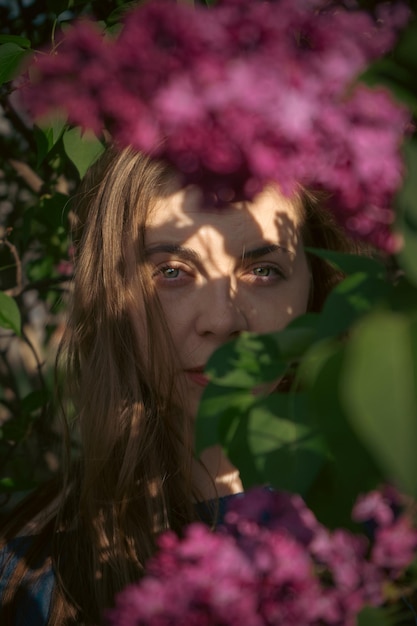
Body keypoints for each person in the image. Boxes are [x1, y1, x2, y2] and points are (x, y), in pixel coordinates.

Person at [0, 146, 360, 625]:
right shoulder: (31, 572)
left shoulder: (384, 541)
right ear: (113, 294)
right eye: (172, 271)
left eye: (263, 271)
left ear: (315, 289)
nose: (221, 319)